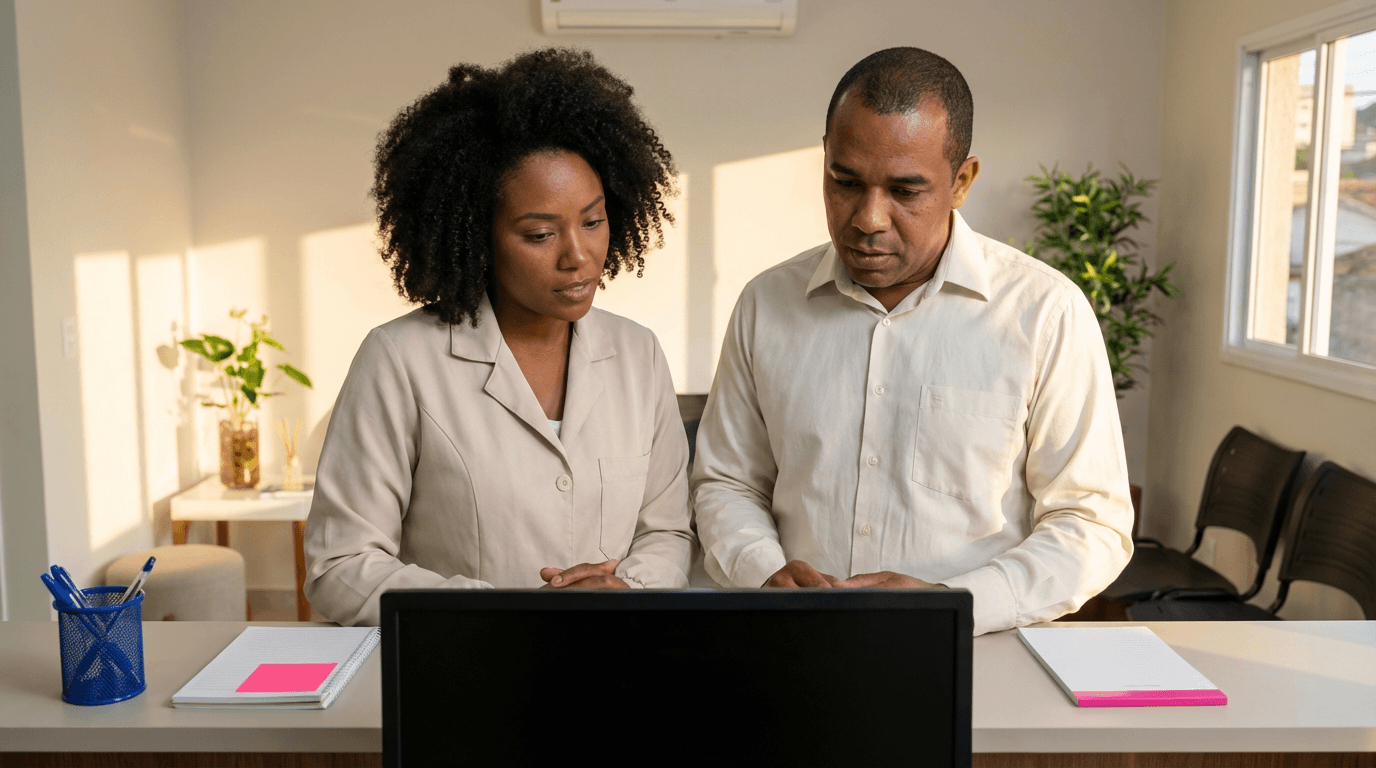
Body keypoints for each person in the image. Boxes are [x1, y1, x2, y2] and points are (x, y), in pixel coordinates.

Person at [691, 47, 1133, 635]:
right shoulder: (766, 306)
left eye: (905, 191)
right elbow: (726, 482)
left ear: (962, 181)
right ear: (825, 159)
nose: (869, 217)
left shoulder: (1044, 314)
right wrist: (765, 572)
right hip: (795, 642)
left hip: (981, 653)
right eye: (845, 182)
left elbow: (1091, 521)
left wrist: (957, 603)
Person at [305, 48, 693, 627]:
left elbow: (666, 532)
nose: (578, 255)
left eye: (592, 220)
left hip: (613, 667)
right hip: (464, 672)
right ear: (476, 235)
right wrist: (498, 611)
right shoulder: (400, 360)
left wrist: (624, 588)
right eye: (539, 234)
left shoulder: (638, 353)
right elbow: (339, 567)